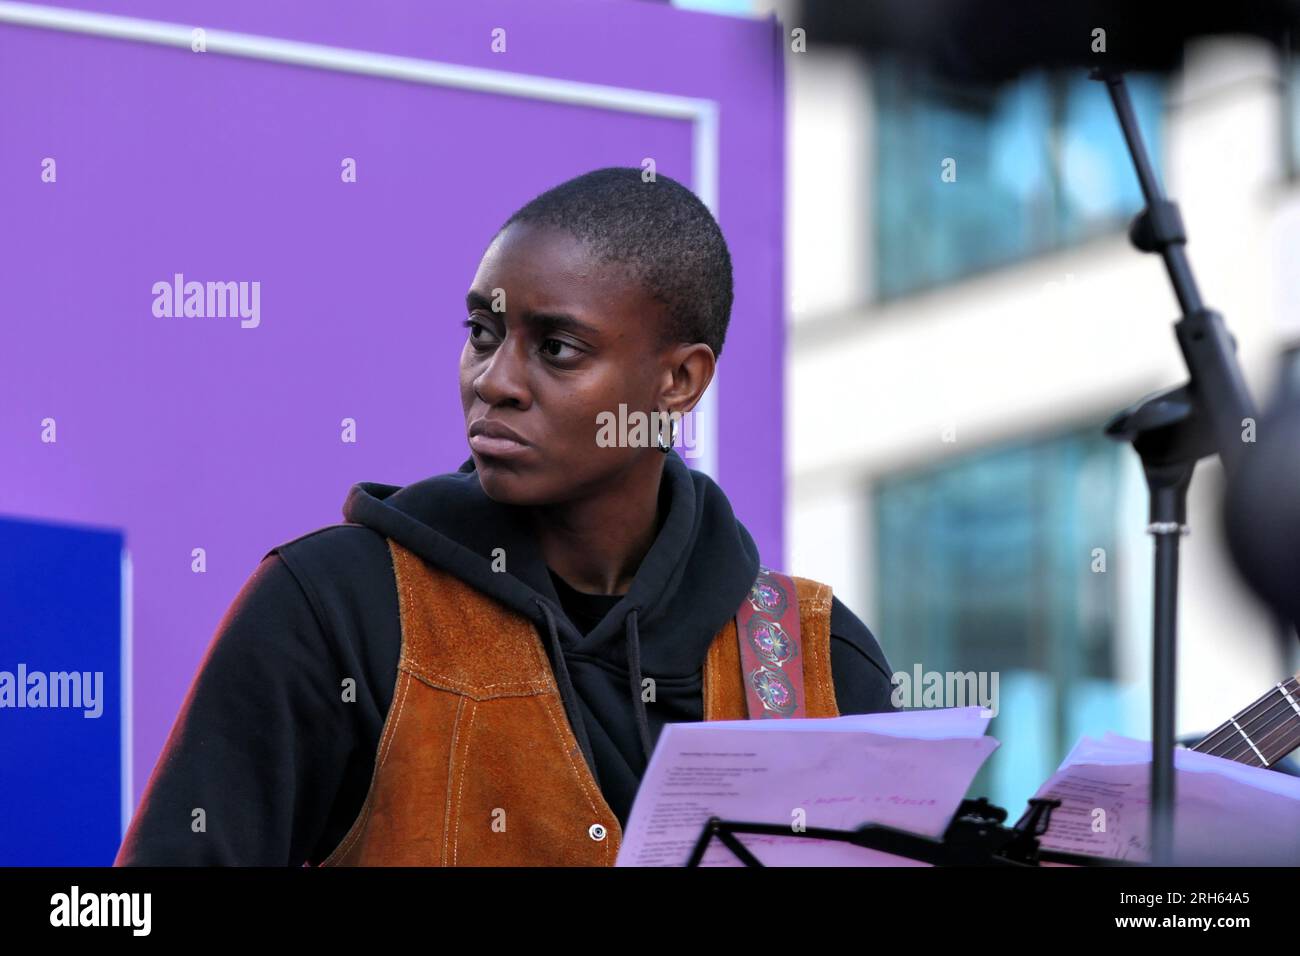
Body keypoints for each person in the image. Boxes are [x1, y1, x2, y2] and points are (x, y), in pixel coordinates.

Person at [114, 167, 895, 867]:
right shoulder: (332, 606)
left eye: (556, 349)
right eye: (482, 335)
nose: (495, 381)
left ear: (679, 382)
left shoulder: (819, 660)